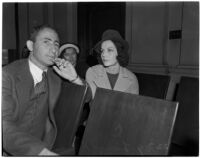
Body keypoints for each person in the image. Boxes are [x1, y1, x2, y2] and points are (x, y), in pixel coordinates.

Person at [2, 25, 79, 156]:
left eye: (56, 44)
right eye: (46, 42)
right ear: (31, 46)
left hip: (49, 145)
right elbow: (3, 126)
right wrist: (41, 152)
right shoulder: (7, 75)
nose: (53, 49)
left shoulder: (56, 76)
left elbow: (86, 97)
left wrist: (74, 78)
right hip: (12, 151)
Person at [86, 29, 139, 98]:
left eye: (109, 50)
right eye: (102, 51)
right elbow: (88, 97)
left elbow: (134, 106)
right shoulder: (92, 72)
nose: (104, 54)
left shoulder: (132, 78)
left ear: (119, 52)